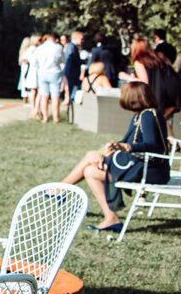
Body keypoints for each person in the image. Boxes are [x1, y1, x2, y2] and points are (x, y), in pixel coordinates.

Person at [58, 81, 169, 232]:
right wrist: (114, 146)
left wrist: (127, 147)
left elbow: (154, 145)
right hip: (140, 166)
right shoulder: (140, 116)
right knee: (91, 165)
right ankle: (110, 217)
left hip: (150, 170)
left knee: (91, 161)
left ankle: (61, 188)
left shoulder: (148, 115)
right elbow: (127, 141)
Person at [36, 32, 64, 123]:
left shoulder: (40, 48)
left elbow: (35, 62)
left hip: (42, 72)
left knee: (44, 95)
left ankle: (45, 117)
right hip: (55, 72)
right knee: (55, 96)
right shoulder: (58, 48)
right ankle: (56, 117)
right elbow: (63, 60)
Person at [61, 31, 84, 108]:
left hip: (71, 73)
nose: (83, 41)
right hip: (71, 73)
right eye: (81, 39)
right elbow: (69, 60)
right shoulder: (71, 47)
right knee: (70, 90)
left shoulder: (73, 47)